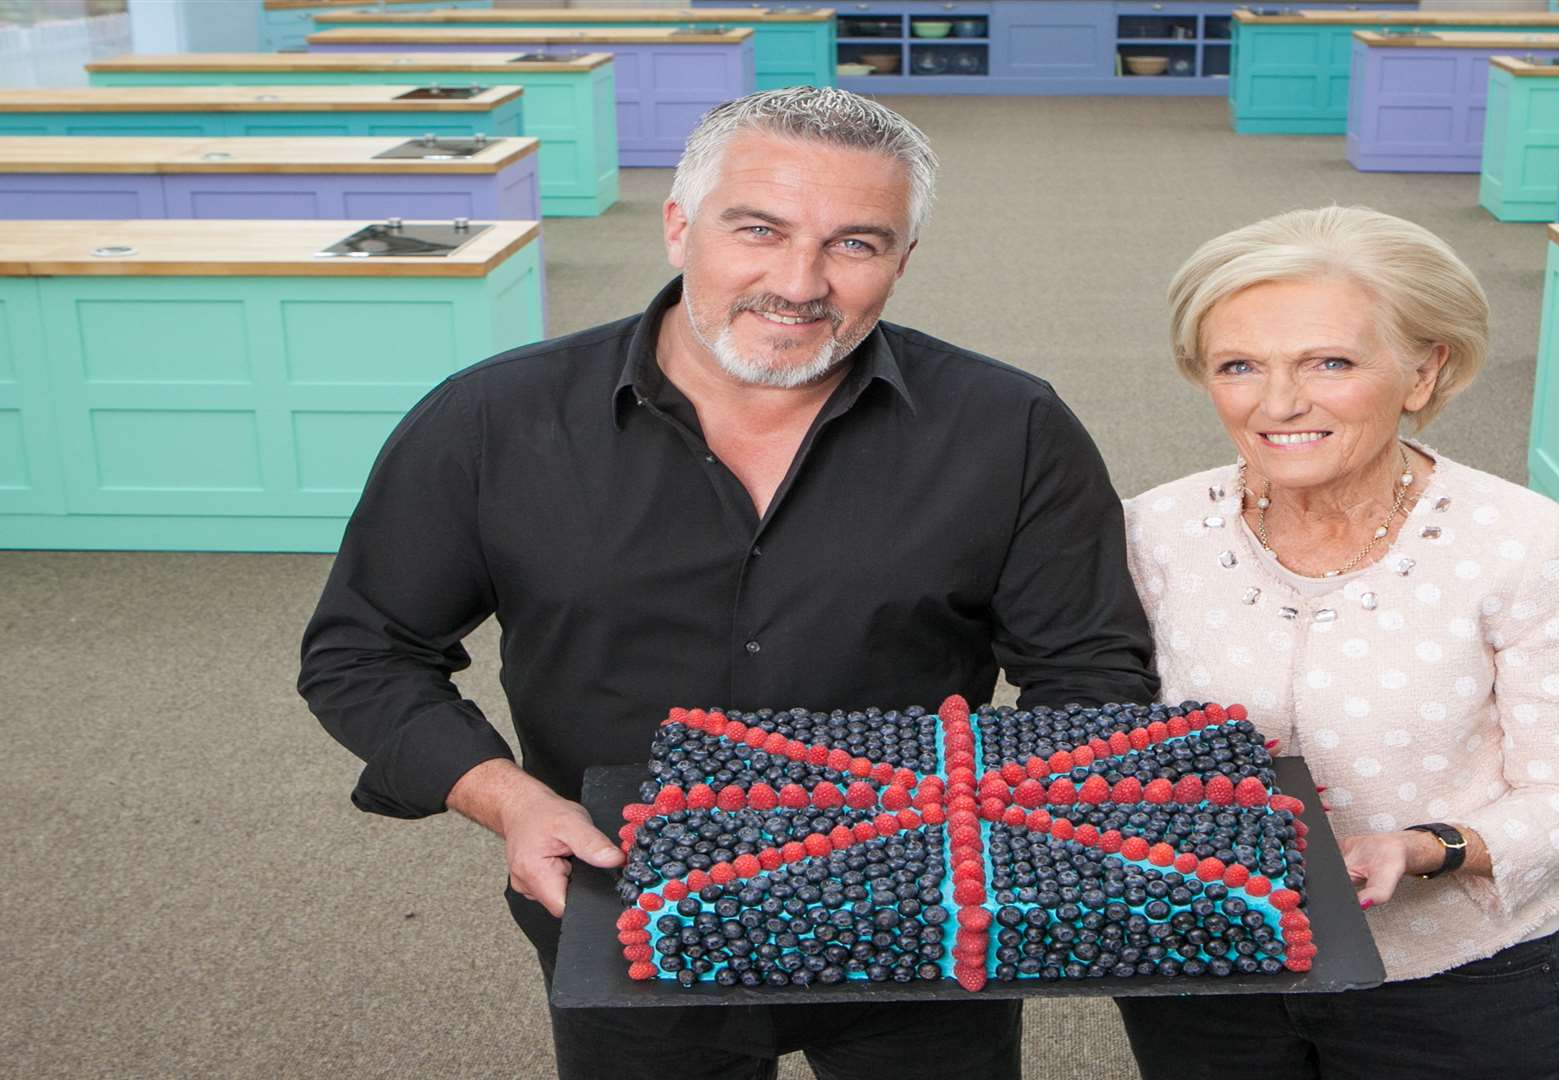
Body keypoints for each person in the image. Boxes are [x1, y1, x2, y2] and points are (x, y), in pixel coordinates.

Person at [297, 87, 1157, 1080]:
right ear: (677, 227)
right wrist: (506, 799)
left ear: (903, 260)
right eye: (759, 230)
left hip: (920, 920)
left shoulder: (1012, 428)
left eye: (856, 244)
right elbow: (364, 651)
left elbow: (1089, 666)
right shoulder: (493, 420)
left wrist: (1018, 835)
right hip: (623, 903)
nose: (799, 282)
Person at [1115, 206, 1559, 1080]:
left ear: (1424, 371)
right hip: (1208, 963)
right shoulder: (1151, 530)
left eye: (1331, 362)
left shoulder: (1526, 542)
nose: (1278, 403)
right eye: (1239, 365)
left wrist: (1423, 847)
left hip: (1450, 983)